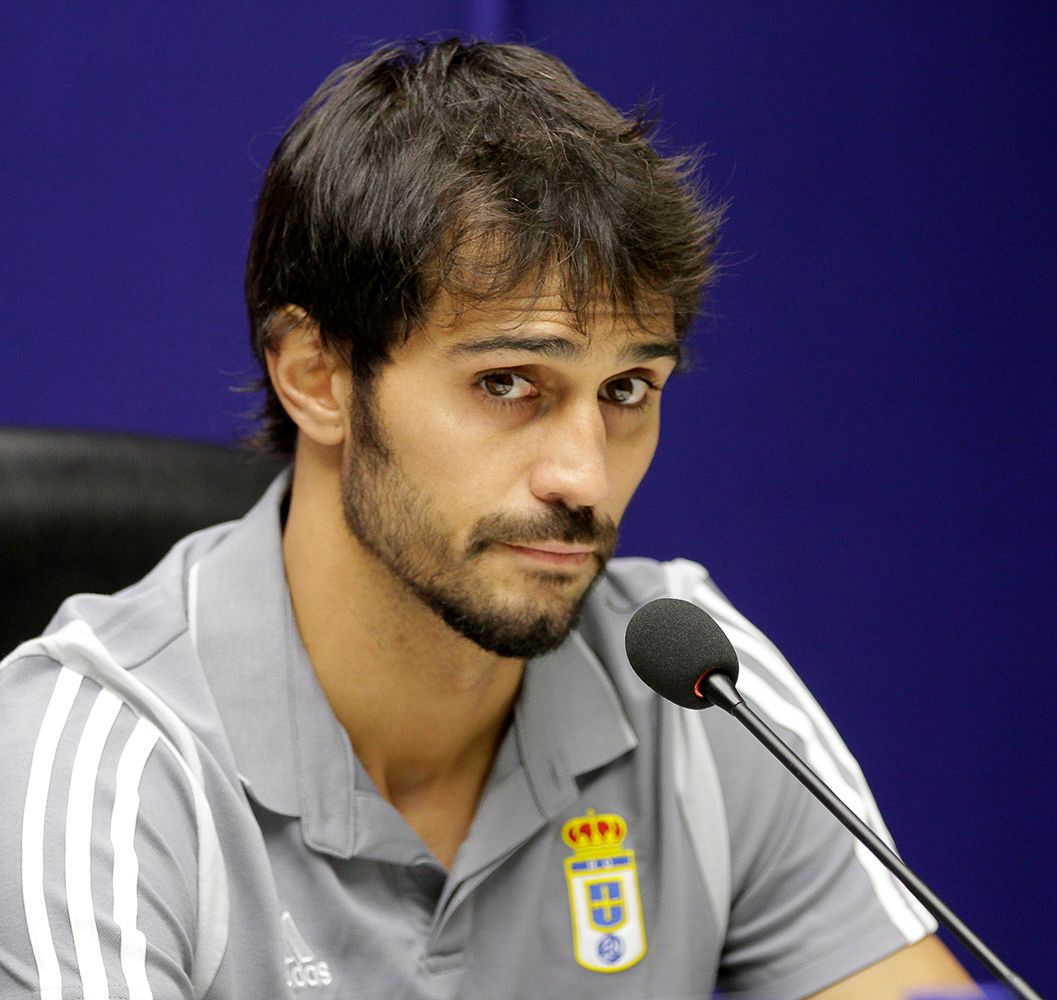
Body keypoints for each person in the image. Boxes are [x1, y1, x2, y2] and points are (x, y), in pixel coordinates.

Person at [0, 38, 976, 1000]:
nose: (584, 478)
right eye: (509, 382)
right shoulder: (97, 757)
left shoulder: (698, 694)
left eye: (628, 389)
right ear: (316, 376)